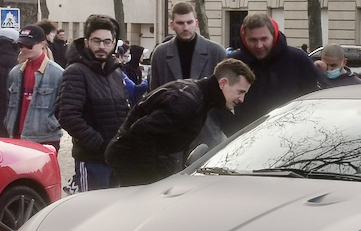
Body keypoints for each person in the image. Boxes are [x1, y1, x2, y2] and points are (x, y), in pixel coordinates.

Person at [106, 58, 255, 186]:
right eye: (240, 92)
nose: (241, 99)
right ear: (223, 83)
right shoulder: (188, 101)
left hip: (130, 162)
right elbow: (141, 132)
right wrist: (154, 180)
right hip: (130, 166)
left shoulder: (196, 95)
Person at [56, 15, 130, 191]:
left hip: (116, 159)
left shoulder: (116, 72)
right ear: (87, 41)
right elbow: (67, 115)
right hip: (92, 161)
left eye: (107, 41)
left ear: (114, 43)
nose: (102, 46)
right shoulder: (76, 71)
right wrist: (98, 144)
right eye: (96, 41)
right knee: (91, 206)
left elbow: (124, 111)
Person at [231, 13, 321, 129]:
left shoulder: (298, 59)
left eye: (264, 39)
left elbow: (313, 99)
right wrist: (234, 131)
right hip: (248, 135)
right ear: (244, 38)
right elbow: (219, 103)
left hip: (292, 131)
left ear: (274, 35)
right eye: (253, 40)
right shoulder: (234, 63)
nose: (259, 45)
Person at [5, 25, 64, 149]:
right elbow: (8, 103)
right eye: (21, 45)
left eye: (29, 45)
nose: (24, 49)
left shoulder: (57, 73)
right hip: (17, 137)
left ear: (43, 44)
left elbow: (65, 108)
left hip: (46, 139)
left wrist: (52, 124)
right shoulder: (15, 72)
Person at [148, 2, 229, 89]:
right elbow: (154, 92)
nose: (186, 28)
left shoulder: (217, 52)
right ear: (172, 25)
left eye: (189, 22)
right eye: (180, 23)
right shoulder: (160, 54)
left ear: (196, 23)